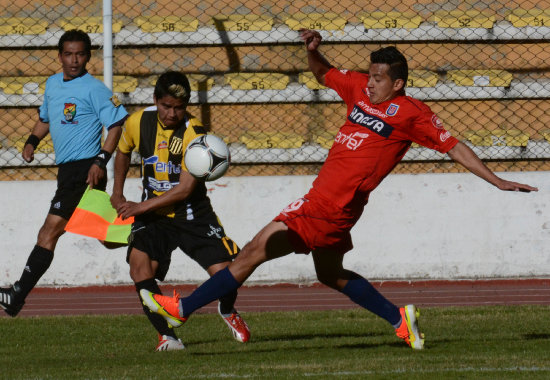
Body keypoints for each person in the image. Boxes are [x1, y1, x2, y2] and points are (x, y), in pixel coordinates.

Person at [139, 30, 538, 350]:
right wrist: (313, 50)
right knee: (331, 274)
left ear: (398, 83)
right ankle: (401, 320)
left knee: (252, 252)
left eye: (380, 79)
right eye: (371, 75)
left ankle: (183, 309)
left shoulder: (412, 113)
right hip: (328, 203)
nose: (371, 84)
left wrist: (496, 180)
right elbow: (323, 73)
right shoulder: (360, 88)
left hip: (329, 205)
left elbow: (455, 147)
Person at [110, 71, 250, 351]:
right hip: (154, 216)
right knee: (139, 267)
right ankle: (168, 337)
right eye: (166, 106)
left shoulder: (195, 134)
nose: (173, 113)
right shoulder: (137, 122)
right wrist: (117, 192)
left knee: (227, 272)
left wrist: (139, 206)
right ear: (155, 100)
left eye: (179, 108)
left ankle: (227, 308)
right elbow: (123, 151)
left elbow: (185, 190)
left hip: (191, 212)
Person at [0, 29, 128, 317]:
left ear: (88, 57)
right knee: (105, 236)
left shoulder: (94, 89)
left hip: (86, 169)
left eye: (80, 54)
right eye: (68, 54)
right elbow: (46, 119)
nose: (74, 60)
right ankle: (147, 236)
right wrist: (32, 141)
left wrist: (101, 160)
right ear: (59, 56)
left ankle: (17, 294)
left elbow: (117, 124)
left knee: (49, 232)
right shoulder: (53, 84)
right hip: (68, 170)